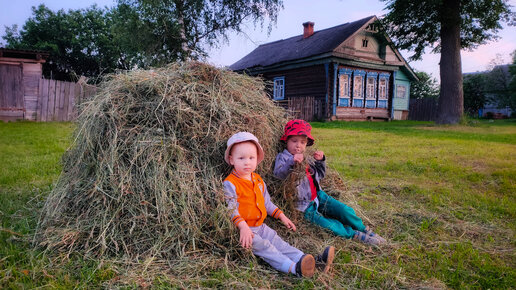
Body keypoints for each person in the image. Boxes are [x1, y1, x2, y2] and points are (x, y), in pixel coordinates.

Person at [223, 132, 335, 277]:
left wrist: (282, 216)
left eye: (252, 158)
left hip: (260, 226)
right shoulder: (230, 183)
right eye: (241, 158)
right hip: (245, 231)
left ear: (257, 160)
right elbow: (231, 208)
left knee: (278, 241)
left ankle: (308, 260)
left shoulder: (258, 180)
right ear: (232, 160)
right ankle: (296, 269)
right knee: (266, 248)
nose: (247, 162)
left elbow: (267, 203)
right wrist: (243, 227)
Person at [273, 120, 386, 245]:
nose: (298, 145)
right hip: (304, 206)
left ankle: (362, 228)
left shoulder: (307, 157)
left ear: (306, 144)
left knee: (344, 210)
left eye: (302, 142)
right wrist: (291, 162)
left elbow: (320, 175)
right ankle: (354, 234)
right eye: (294, 141)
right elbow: (279, 175)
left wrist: (320, 161)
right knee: (329, 225)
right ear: (286, 141)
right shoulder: (283, 158)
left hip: (319, 196)